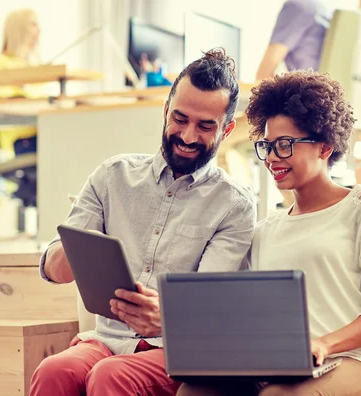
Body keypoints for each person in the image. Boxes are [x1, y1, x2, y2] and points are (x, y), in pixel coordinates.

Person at [29, 48, 257, 396]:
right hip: (107, 340)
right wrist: (65, 256)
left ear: (226, 131)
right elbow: (54, 269)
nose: (188, 136)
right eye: (180, 119)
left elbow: (206, 305)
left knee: (110, 376)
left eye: (205, 126)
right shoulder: (112, 176)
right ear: (165, 110)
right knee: (53, 370)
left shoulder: (234, 206)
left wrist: (165, 317)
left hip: (175, 349)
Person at [178, 71, 361, 396]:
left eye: (284, 145)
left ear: (325, 146)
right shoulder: (265, 230)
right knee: (194, 392)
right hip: (286, 369)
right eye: (267, 146)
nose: (272, 158)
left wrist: (323, 344)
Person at [255, 0, 361, 80]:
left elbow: (263, 75)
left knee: (232, 127)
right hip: (333, 116)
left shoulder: (299, 6)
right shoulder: (332, 15)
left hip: (306, 114)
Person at [0, 8, 44, 154]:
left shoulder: (32, 66)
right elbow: (4, 102)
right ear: (18, 28)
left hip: (42, 133)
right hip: (22, 139)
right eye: (33, 25)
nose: (38, 31)